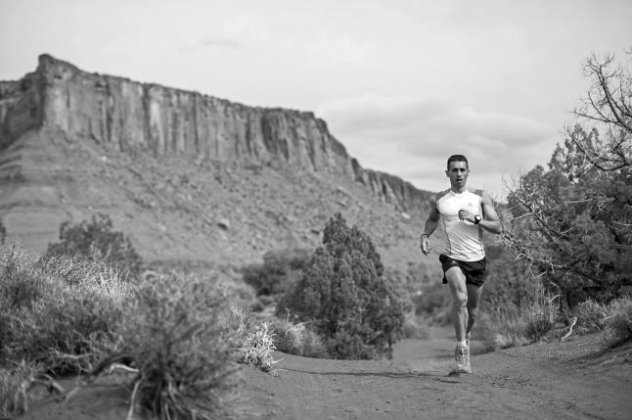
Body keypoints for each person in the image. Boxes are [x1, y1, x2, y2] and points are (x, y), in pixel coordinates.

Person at [419, 154, 502, 374]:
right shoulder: (438, 199)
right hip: (452, 257)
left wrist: (476, 219)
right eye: (454, 170)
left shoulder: (480, 197)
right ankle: (462, 348)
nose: (458, 174)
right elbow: (433, 219)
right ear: (447, 173)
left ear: (468, 172)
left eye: (462, 170)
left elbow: (498, 227)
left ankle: (466, 335)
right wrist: (425, 236)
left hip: (476, 259)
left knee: (473, 311)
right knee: (461, 298)